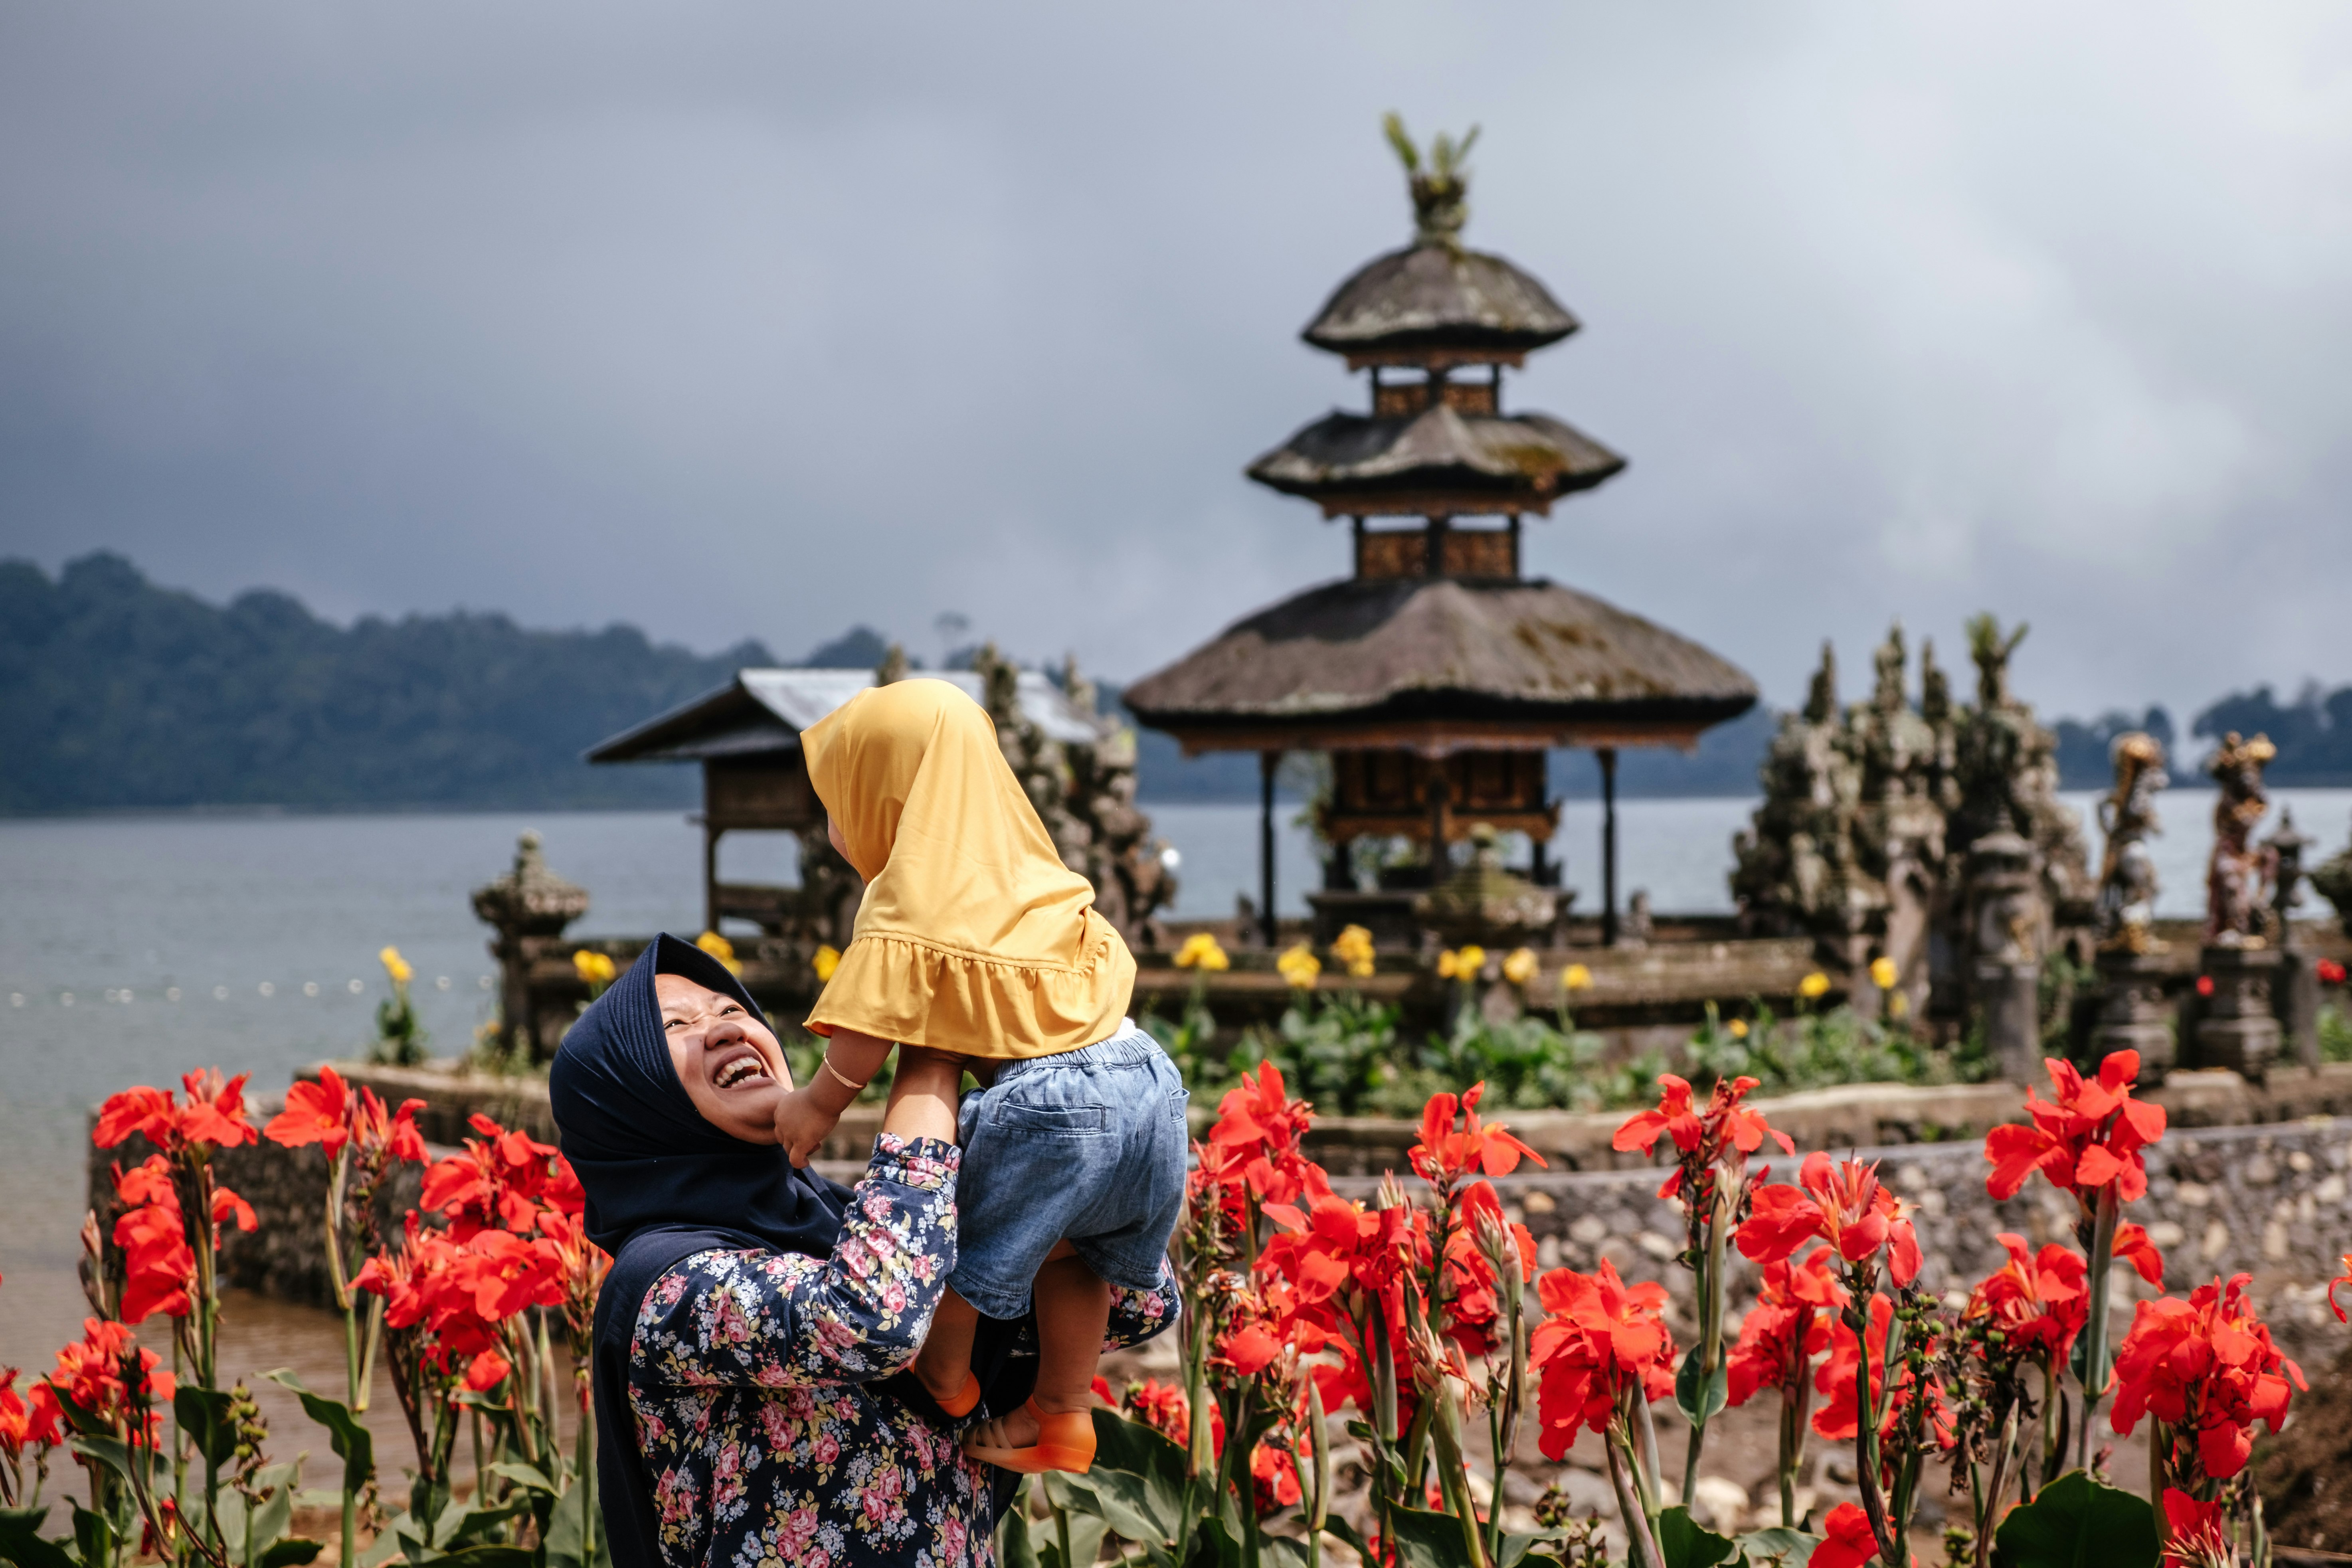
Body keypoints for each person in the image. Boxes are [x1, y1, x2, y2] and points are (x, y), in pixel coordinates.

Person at [550, 933, 1178, 1568]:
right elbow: (870, 1321)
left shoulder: (863, 1225)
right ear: (628, 1098)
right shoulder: (668, 1285)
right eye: (676, 1025)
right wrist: (927, 1062)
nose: (719, 1029)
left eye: (731, 1010)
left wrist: (1058, 1133)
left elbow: (1137, 1302)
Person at [774, 678, 1188, 1475]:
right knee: (1079, 1254)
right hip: (1147, 1078)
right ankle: (1063, 1412)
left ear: (887, 794)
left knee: (969, 1251)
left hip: (1052, 1104)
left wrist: (816, 1103)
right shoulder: (1033, 871)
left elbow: (870, 1023)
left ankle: (943, 1375)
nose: (831, 821)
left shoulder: (912, 896)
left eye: (837, 798)